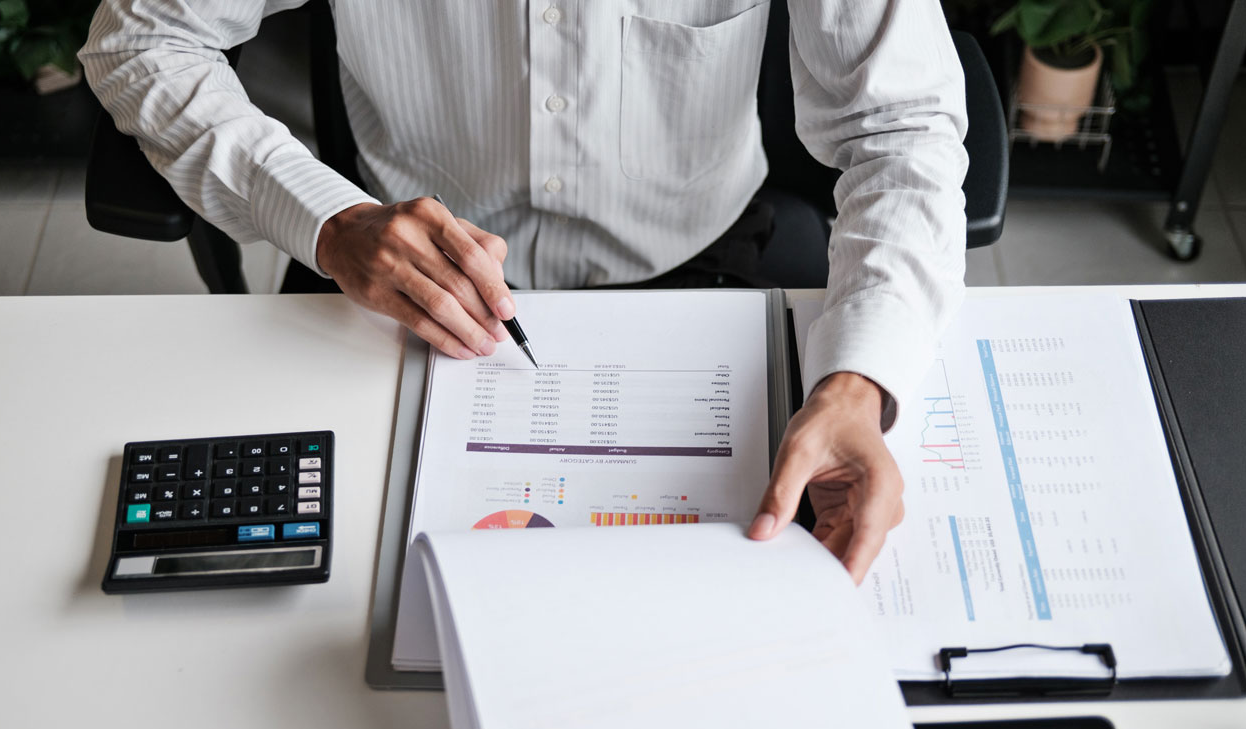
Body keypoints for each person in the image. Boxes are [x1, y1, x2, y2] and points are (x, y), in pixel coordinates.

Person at [80, 1, 968, 584]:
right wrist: (325, 218)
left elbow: (905, 124)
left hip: (709, 255)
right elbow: (138, 36)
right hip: (400, 271)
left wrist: (858, 383)